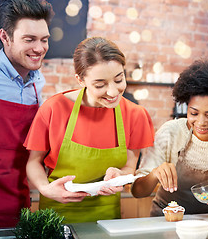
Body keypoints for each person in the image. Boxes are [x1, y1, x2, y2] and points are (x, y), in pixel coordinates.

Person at [24, 36, 155, 223]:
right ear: (80, 80)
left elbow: (129, 167)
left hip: (107, 218)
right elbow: (33, 162)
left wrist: (120, 175)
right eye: (100, 85)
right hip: (56, 213)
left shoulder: (135, 115)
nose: (112, 92)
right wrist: (46, 189)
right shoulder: (54, 109)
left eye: (119, 79)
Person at [131, 58, 208, 215]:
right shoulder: (171, 133)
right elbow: (138, 192)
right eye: (193, 113)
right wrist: (154, 174)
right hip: (165, 220)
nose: (200, 122)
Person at [0, 0, 53, 229]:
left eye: (44, 40)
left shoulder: (37, 83)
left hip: (18, 206)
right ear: (5, 37)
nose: (39, 48)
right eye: (29, 39)